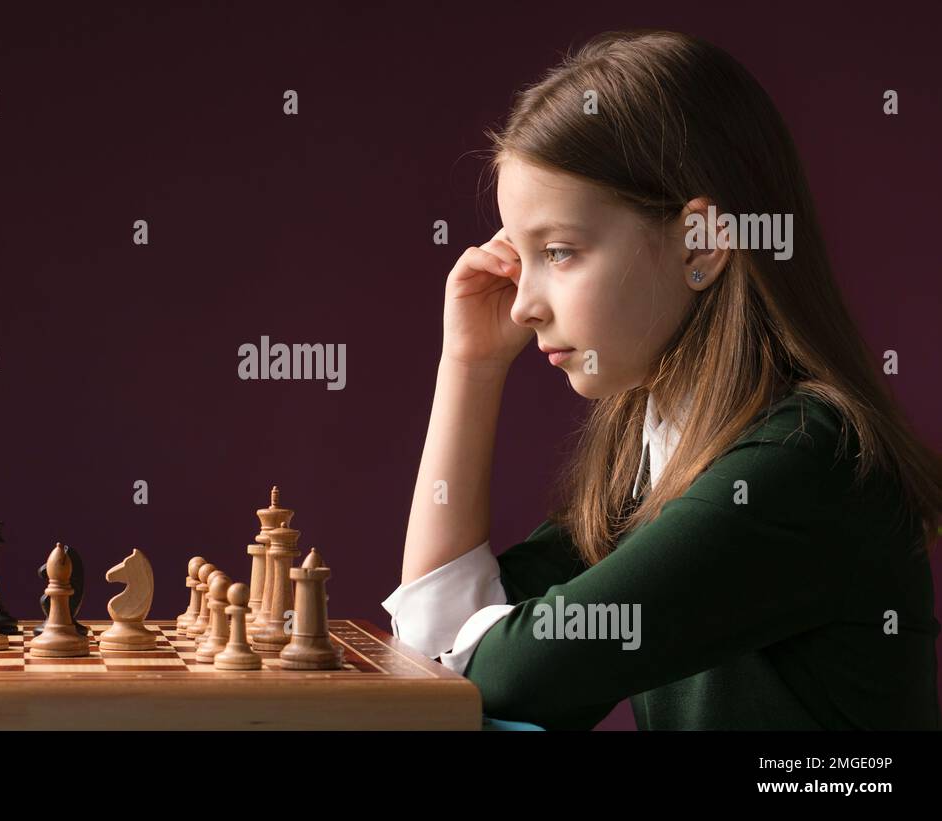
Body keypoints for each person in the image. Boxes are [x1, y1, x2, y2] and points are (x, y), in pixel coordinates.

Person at [383, 29, 942, 730]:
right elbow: (433, 652)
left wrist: (493, 650)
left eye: (558, 251)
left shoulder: (805, 459)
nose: (523, 303)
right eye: (517, 258)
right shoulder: (655, 458)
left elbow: (515, 676)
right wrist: (469, 365)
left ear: (701, 244)